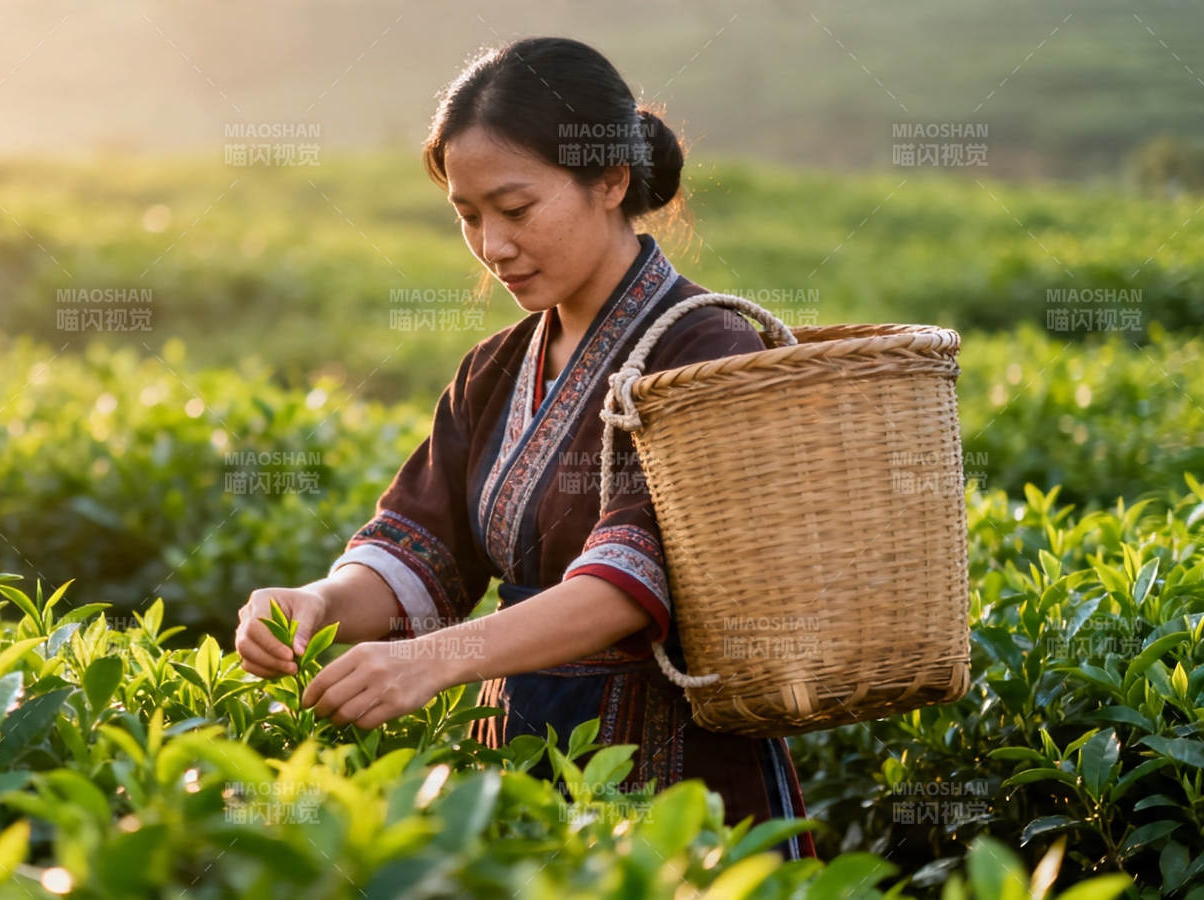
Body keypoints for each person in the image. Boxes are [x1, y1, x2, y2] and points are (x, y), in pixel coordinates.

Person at [233, 35, 816, 861]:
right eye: (468, 216)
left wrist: (436, 660)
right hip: (530, 777)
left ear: (609, 180)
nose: (492, 246)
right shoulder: (496, 369)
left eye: (515, 210)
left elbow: (632, 583)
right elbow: (422, 551)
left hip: (686, 791)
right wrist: (319, 604)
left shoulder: (704, 350)